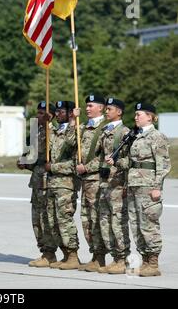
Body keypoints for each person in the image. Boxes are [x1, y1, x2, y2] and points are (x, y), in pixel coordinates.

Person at [127, 103, 171, 277]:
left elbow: (163, 164)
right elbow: (133, 163)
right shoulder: (136, 136)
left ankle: (153, 263)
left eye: (139, 114)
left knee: (148, 224)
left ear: (150, 117)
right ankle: (144, 260)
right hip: (133, 185)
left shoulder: (156, 137)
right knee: (136, 224)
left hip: (148, 186)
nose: (136, 117)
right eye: (136, 114)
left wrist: (156, 187)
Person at [17, 101, 58, 267]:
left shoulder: (54, 132)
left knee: (46, 218)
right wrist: (25, 163)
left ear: (50, 115)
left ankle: (50, 252)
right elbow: (35, 158)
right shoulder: (36, 132)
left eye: (42, 113)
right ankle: (44, 251)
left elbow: (53, 155)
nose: (38, 116)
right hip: (36, 181)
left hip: (48, 181)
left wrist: (50, 125)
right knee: (36, 219)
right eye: (37, 113)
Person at [74, 94, 108, 272]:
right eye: (86, 106)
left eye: (90, 106)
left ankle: (100, 256)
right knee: (86, 220)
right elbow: (71, 143)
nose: (87, 109)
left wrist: (86, 167)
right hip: (85, 181)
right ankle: (94, 254)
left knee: (96, 219)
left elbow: (105, 155)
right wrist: (74, 120)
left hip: (97, 179)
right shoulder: (83, 126)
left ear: (101, 108)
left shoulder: (105, 127)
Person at [97, 97, 131, 274]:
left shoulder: (125, 132)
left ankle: (122, 258)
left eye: (110, 109)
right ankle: (114, 257)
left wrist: (126, 185)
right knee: (105, 222)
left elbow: (130, 160)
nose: (106, 111)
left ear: (119, 111)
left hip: (118, 184)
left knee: (118, 223)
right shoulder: (104, 131)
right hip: (105, 184)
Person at [45, 101, 80, 270]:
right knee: (53, 221)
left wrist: (54, 167)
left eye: (61, 111)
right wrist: (46, 122)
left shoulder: (73, 131)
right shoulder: (56, 130)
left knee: (65, 219)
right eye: (56, 111)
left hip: (66, 183)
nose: (57, 114)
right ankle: (65, 254)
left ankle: (73, 255)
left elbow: (74, 163)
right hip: (52, 182)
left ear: (70, 113)